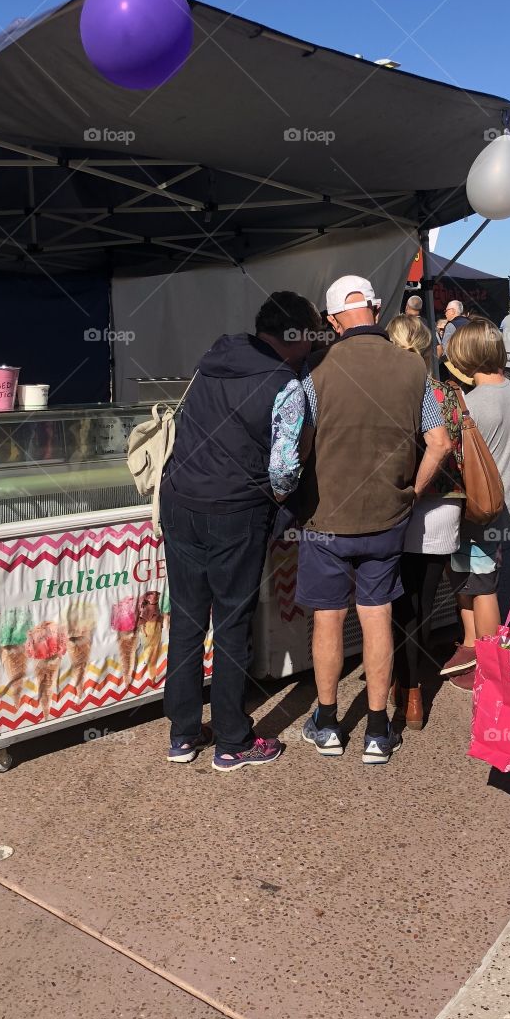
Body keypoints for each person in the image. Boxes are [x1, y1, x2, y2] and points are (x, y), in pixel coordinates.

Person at [295, 276, 452, 763]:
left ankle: (327, 722)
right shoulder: (412, 371)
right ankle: (379, 730)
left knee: (328, 619)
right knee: (377, 615)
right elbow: (441, 442)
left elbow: (295, 447)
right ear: (378, 310)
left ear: (333, 319)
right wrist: (412, 490)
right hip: (387, 516)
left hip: (325, 516)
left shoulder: (314, 369)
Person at [160, 291, 320, 772]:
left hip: (180, 499)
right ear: (293, 337)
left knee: (187, 618)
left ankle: (183, 734)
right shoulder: (286, 386)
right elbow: (284, 470)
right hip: (236, 510)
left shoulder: (215, 356)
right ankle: (232, 740)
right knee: (232, 622)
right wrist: (280, 502)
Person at [386, 314, 465, 730]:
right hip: (446, 504)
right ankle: (415, 693)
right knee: (425, 601)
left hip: (405, 502)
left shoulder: (392, 390)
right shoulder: (447, 392)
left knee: (400, 601)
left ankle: (404, 684)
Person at [441, 319, 510, 687]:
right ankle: (474, 644)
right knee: (476, 579)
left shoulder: (472, 405)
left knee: (483, 586)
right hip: (507, 505)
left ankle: (488, 663)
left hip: (479, 512)